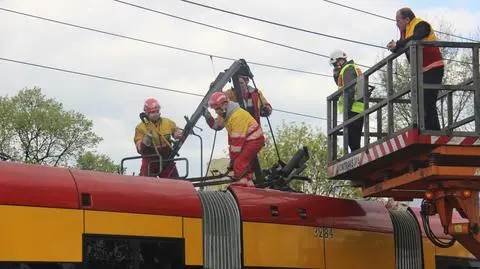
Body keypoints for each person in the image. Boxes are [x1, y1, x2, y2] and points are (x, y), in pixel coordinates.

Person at [387, 7, 444, 131]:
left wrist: (399, 44)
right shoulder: (406, 31)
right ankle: (427, 130)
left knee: (428, 101)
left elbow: (417, 36)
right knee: (420, 102)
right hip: (421, 72)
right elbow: (402, 44)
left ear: (407, 19)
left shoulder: (421, 24)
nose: (396, 24)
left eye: (398, 20)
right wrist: (393, 46)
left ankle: (434, 132)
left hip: (433, 67)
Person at [203, 92, 265, 187]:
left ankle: (238, 186)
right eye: (215, 110)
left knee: (239, 163)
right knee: (243, 166)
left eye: (217, 109)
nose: (216, 112)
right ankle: (249, 186)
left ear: (224, 105)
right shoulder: (227, 115)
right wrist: (208, 117)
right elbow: (217, 126)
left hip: (254, 140)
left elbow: (237, 143)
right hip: (247, 140)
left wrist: (233, 161)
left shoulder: (237, 116)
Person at [134, 97, 183, 177]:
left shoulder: (167, 122)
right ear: (146, 113)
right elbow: (139, 148)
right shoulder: (140, 128)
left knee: (174, 184)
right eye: (153, 112)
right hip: (150, 161)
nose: (156, 114)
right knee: (145, 184)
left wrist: (178, 134)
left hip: (167, 159)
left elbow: (176, 132)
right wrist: (147, 139)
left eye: (157, 111)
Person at [329, 50, 364, 152]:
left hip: (353, 109)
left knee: (352, 141)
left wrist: (347, 109)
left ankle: (358, 161)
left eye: (335, 64)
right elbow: (343, 84)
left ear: (340, 61)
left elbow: (350, 89)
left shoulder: (348, 69)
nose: (334, 67)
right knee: (352, 140)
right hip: (356, 108)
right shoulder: (349, 69)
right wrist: (336, 76)